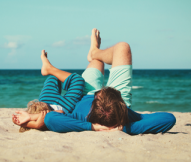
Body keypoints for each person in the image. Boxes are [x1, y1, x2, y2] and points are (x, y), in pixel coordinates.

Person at [43, 28, 176, 134]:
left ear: (96, 98)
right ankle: (95, 52)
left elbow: (51, 119)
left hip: (86, 93)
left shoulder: (82, 116)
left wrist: (92, 127)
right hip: (113, 104)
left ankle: (95, 53)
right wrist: (122, 128)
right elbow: (169, 118)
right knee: (123, 47)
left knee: (97, 62)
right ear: (121, 103)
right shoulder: (126, 116)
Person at [12, 50, 86, 132]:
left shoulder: (29, 119)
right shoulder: (51, 118)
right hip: (64, 106)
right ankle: (49, 68)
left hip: (45, 101)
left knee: (53, 78)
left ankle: (48, 69)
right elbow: (59, 112)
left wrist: (23, 122)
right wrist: (36, 125)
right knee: (78, 80)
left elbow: (18, 122)